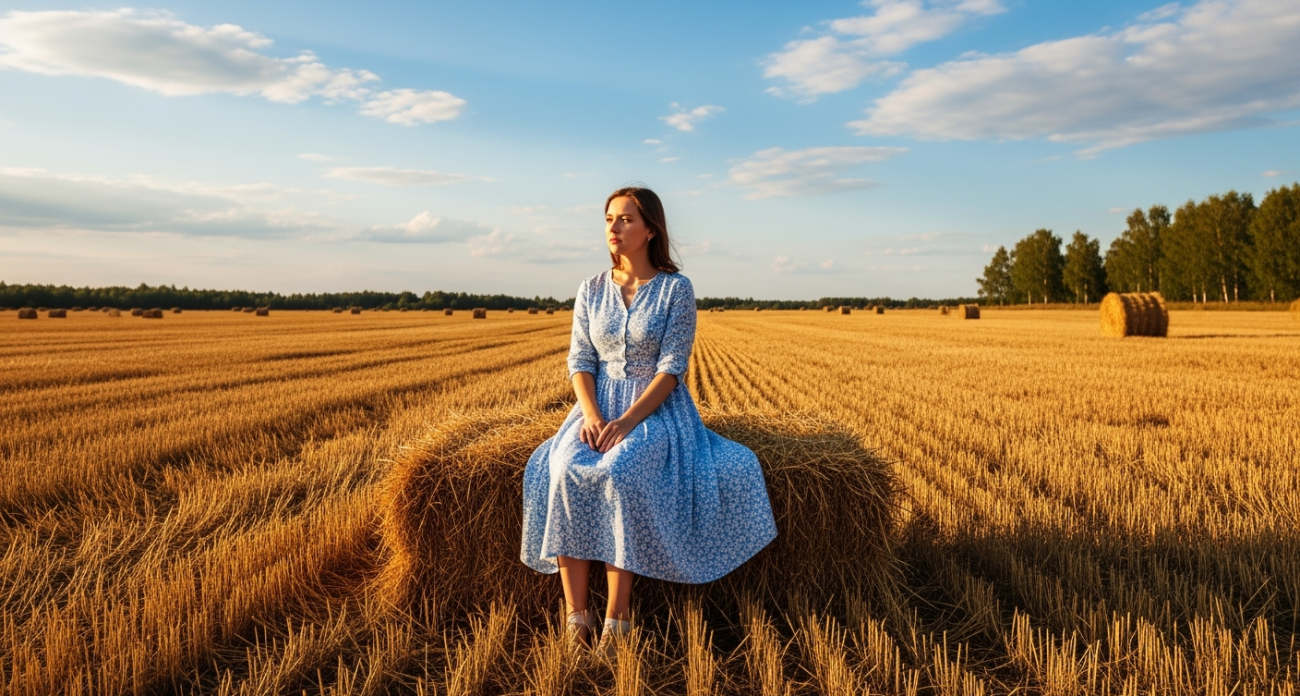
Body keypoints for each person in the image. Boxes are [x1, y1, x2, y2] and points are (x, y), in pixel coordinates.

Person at [520, 186, 777, 654]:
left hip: (655, 410)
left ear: (650, 229)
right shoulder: (591, 289)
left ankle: (618, 620)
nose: (613, 229)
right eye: (609, 219)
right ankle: (577, 618)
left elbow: (672, 368)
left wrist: (628, 422)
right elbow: (579, 359)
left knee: (622, 473)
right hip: (595, 407)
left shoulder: (676, 290)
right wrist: (595, 416)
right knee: (560, 471)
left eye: (625, 220)